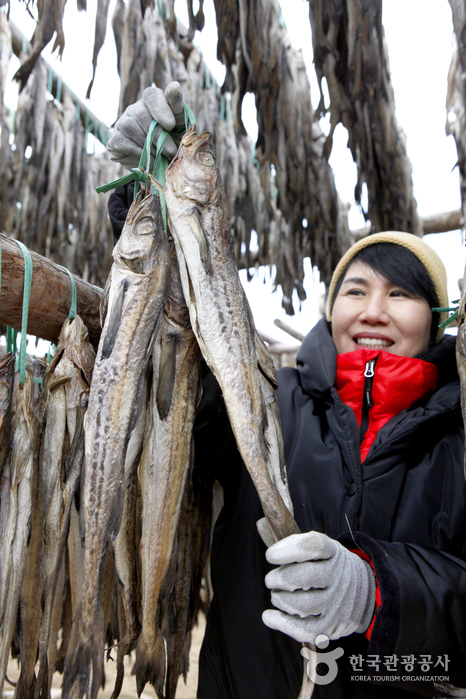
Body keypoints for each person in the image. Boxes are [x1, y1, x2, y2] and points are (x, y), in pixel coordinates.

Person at [107, 84, 466, 698]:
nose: (374, 311)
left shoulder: (456, 441)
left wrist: (375, 590)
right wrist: (145, 205)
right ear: (330, 312)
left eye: (400, 294)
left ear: (435, 320)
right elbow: (182, 384)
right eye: (355, 291)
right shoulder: (275, 403)